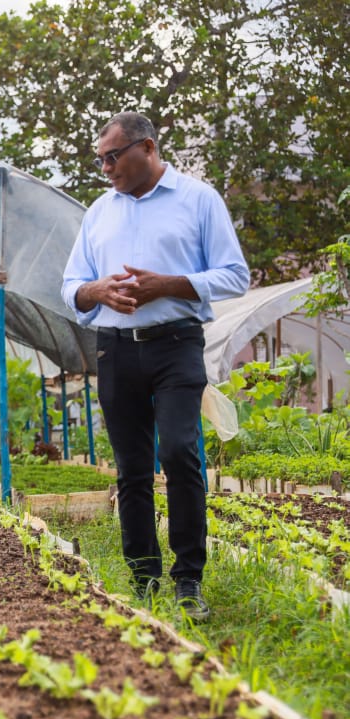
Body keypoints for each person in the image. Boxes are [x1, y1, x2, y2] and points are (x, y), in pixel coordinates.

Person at [62, 112, 249, 619]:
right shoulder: (99, 212)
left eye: (112, 156)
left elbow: (236, 276)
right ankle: (143, 578)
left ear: (146, 148)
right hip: (116, 348)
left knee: (181, 451)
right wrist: (94, 291)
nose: (105, 167)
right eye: (100, 158)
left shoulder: (198, 200)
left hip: (177, 344)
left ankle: (189, 579)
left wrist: (168, 284)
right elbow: (70, 286)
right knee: (132, 468)